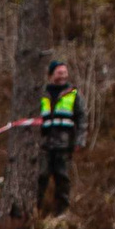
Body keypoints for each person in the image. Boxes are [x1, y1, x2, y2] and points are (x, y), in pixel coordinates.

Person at [38, 60, 83, 216]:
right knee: (41, 176)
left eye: (65, 72)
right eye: (59, 72)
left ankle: (61, 211)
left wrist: (79, 141)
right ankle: (36, 208)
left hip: (64, 144)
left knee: (62, 178)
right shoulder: (41, 93)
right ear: (51, 75)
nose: (63, 76)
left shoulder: (73, 94)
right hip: (44, 144)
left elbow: (82, 119)